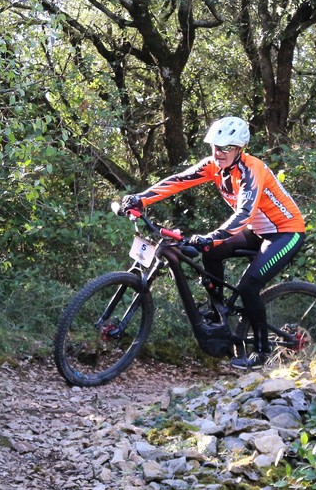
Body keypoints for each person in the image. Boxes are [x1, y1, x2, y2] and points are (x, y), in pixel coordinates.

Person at [119, 116, 306, 369]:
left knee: (249, 286)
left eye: (226, 147)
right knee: (211, 252)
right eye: (215, 146)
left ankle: (262, 352)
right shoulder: (213, 166)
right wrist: (140, 199)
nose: (219, 152)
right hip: (257, 230)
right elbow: (177, 181)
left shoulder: (252, 170)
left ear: (240, 148)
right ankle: (218, 311)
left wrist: (212, 236)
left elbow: (244, 213)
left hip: (286, 232)